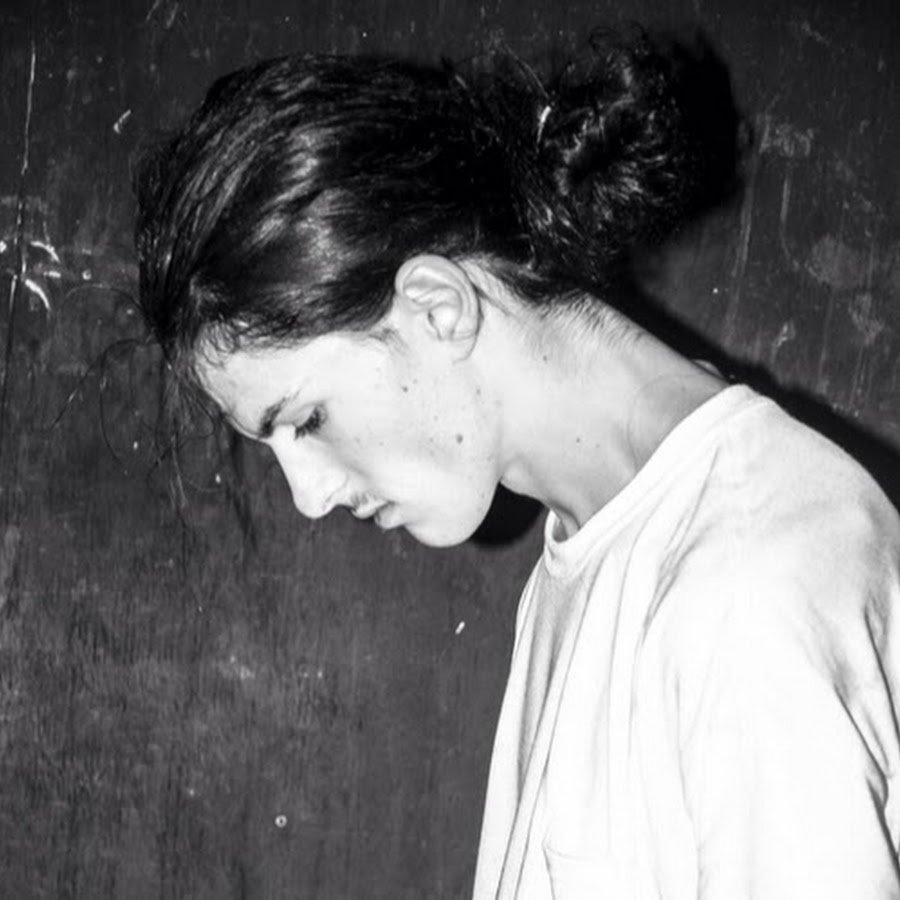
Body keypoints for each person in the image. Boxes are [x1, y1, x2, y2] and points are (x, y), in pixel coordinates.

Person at [134, 31, 900, 899]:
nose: (307, 496)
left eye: (307, 419)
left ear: (437, 308)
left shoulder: (752, 577)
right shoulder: (596, 546)